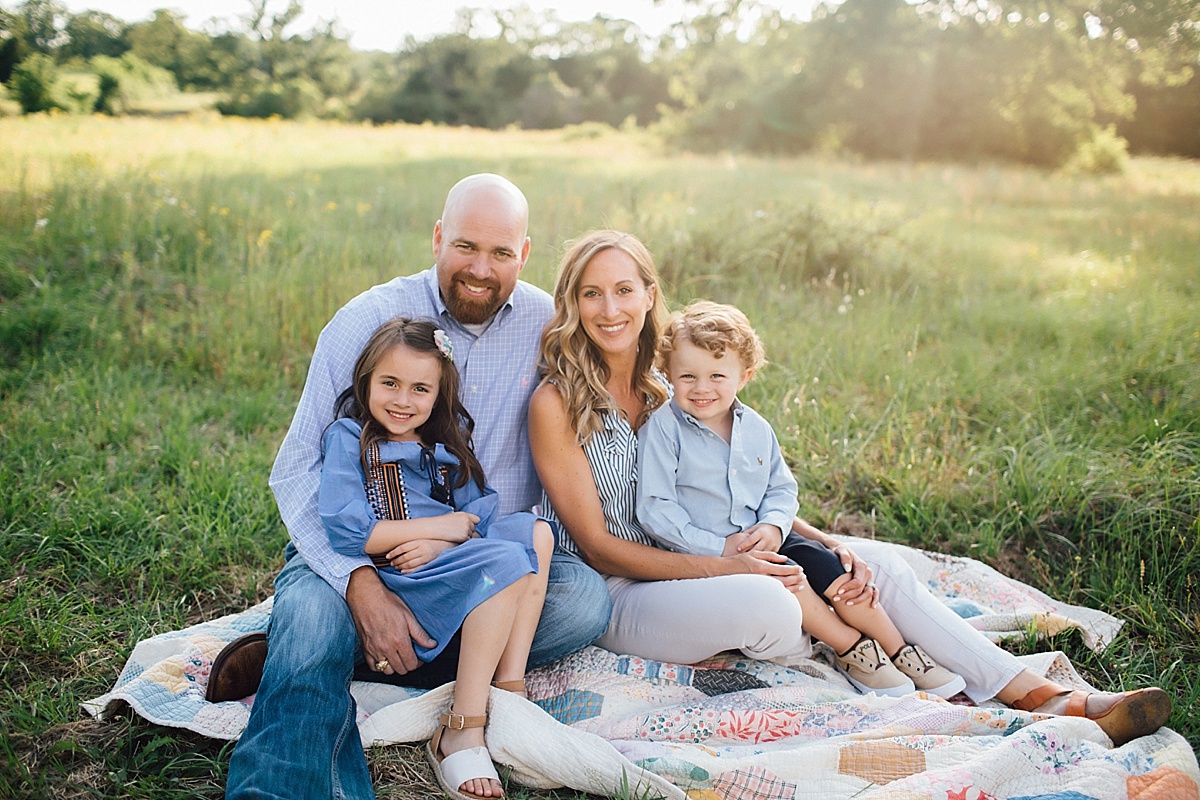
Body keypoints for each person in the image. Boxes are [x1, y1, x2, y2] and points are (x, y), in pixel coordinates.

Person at [528, 228, 1171, 748]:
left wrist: (823, 540)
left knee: (877, 565)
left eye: (622, 290)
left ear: (648, 296)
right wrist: (730, 561)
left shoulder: (673, 385)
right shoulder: (557, 402)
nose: (608, 309)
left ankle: (1040, 694)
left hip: (714, 556)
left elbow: (744, 495)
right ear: (571, 303)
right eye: (590, 294)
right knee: (770, 600)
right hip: (628, 589)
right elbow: (598, 547)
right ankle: (867, 656)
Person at [224, 174, 612, 800]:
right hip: (366, 547)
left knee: (583, 604)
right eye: (465, 246)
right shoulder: (370, 320)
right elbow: (296, 469)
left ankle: (340, 658)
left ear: (525, 253)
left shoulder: (547, 324)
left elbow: (637, 387)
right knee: (318, 616)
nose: (481, 269)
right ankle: (292, 753)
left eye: (501, 253)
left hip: (481, 553)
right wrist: (360, 582)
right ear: (436, 238)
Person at [636, 300, 965, 698]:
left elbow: (781, 487)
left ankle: (900, 649)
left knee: (831, 569)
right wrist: (719, 547)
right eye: (687, 376)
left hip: (765, 535)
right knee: (789, 576)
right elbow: (655, 508)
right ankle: (853, 651)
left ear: (745, 376)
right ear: (668, 374)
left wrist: (774, 525)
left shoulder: (756, 428)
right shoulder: (664, 430)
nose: (702, 388)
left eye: (717, 375)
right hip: (714, 550)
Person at [320, 316, 552, 800]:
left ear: (438, 393)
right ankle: (461, 729)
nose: (403, 401)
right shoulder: (351, 438)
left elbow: (478, 516)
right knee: (505, 564)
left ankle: (508, 687)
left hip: (443, 561)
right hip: (399, 576)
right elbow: (348, 532)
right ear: (366, 381)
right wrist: (437, 528)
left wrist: (446, 543)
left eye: (420, 389)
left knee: (536, 533)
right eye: (390, 384)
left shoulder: (442, 447)